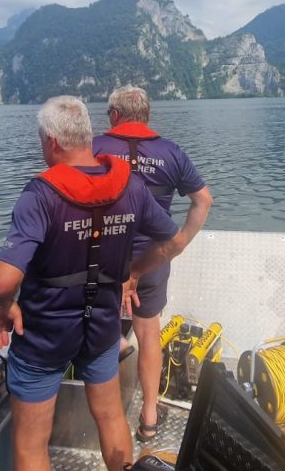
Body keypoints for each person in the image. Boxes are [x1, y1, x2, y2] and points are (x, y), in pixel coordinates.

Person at [0, 96, 187, 471]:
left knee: (31, 443)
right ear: (88, 138)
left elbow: (2, 279)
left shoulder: (40, 195)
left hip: (45, 333)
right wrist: (134, 273)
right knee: (111, 417)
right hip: (101, 328)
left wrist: (2, 305)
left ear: (52, 142)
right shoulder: (131, 188)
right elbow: (173, 241)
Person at [92, 86, 213, 443]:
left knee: (96, 323)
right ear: (147, 115)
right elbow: (203, 200)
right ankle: (148, 418)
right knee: (149, 333)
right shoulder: (170, 152)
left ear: (114, 115)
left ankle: (114, 359)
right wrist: (177, 244)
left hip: (104, 257)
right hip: (152, 258)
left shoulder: (95, 148)